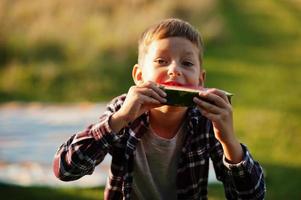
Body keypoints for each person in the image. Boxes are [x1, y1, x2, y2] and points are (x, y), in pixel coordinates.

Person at [53, 18, 265, 200]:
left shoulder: (205, 120)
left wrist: (229, 141)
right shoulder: (123, 110)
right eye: (161, 61)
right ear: (139, 76)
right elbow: (65, 170)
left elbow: (251, 196)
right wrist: (120, 119)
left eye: (187, 63)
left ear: (201, 81)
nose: (174, 70)